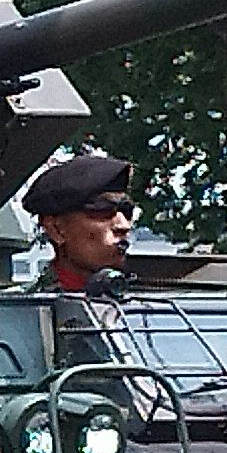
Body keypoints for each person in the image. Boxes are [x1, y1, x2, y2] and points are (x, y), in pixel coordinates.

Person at [26, 153, 137, 373]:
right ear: (57, 230)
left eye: (126, 211)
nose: (123, 225)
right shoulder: (31, 313)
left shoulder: (146, 305)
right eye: (102, 211)